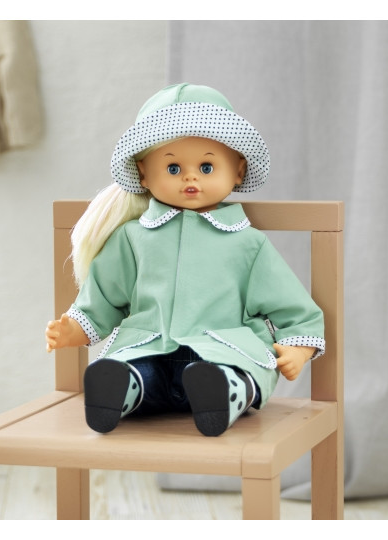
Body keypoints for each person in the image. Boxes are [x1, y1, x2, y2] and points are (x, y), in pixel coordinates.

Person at [45, 83, 325, 436]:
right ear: (144, 173)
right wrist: (75, 327)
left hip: (223, 348)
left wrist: (299, 347)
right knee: (136, 369)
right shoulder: (132, 238)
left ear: (238, 171)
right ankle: (123, 389)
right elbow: (103, 295)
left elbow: (292, 305)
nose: (191, 176)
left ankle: (224, 393)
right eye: (173, 168)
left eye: (207, 166)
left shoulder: (247, 243)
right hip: (150, 346)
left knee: (240, 370)